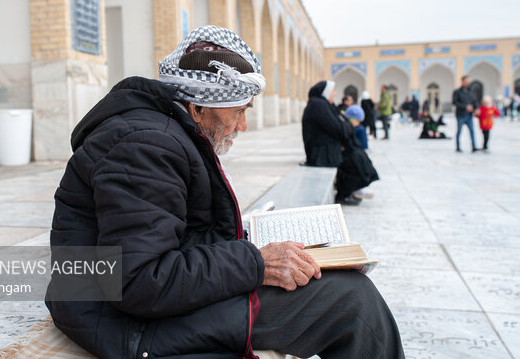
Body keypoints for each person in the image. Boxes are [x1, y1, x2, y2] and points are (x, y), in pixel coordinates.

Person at [46, 26, 404, 359]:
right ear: (198, 106)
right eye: (239, 111)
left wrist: (244, 239)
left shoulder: (166, 132)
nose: (243, 125)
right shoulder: (146, 145)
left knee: (339, 283)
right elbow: (138, 281)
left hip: (129, 303)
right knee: (352, 302)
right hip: (116, 317)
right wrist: (257, 262)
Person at [302, 81, 380, 206]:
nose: (335, 93)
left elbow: (339, 126)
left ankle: (350, 191)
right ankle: (343, 195)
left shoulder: (323, 104)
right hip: (321, 153)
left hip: (326, 148)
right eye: (332, 91)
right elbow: (336, 127)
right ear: (325, 92)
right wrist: (346, 128)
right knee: (353, 161)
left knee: (358, 156)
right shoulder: (318, 105)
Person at [452, 75, 478, 152]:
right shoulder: (457, 92)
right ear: (462, 82)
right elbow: (455, 102)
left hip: (469, 115)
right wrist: (465, 107)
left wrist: (475, 108)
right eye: (466, 81)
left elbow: (475, 101)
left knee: (472, 131)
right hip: (461, 115)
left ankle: (474, 146)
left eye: (468, 82)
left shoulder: (472, 91)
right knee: (459, 131)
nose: (467, 83)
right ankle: (458, 147)